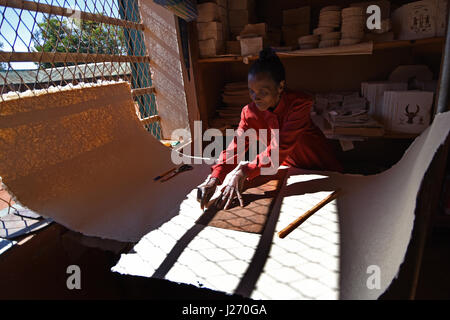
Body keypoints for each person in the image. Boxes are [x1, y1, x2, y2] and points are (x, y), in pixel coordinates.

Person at [197, 47, 343, 210]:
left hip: (322, 169)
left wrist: (244, 171)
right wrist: (215, 178)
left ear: (280, 87)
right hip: (290, 171)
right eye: (251, 91)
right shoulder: (249, 113)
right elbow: (234, 150)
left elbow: (280, 149)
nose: (255, 97)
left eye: (263, 92)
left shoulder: (299, 104)